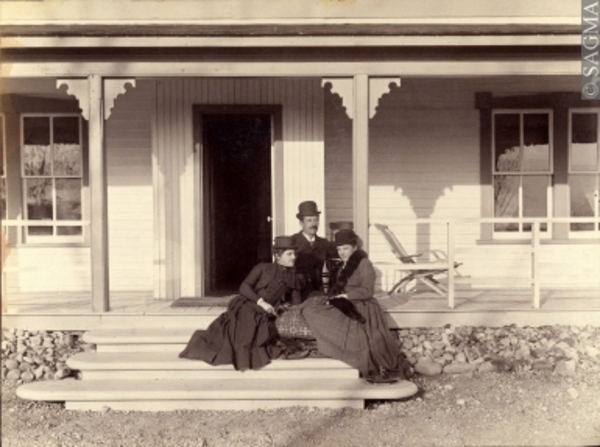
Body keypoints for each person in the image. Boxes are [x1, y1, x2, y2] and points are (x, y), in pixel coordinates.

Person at [301, 229, 413, 383]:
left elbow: (367, 290)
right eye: (339, 249)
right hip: (346, 301)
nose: (341, 252)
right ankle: (338, 343)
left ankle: (351, 351)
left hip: (362, 304)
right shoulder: (343, 265)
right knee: (311, 310)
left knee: (356, 333)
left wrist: (346, 296)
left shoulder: (364, 263)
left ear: (354, 247)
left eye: (345, 248)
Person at [178, 236, 303, 371]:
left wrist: (284, 304)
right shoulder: (263, 268)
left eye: (295, 253)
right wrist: (261, 302)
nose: (294, 257)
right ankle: (241, 358)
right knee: (247, 321)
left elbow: (296, 301)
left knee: (259, 327)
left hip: (264, 312)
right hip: (248, 303)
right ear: (278, 256)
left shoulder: (294, 278)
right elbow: (244, 287)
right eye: (289, 254)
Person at [291, 201, 336, 299]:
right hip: (296, 291)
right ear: (301, 223)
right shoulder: (293, 241)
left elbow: (339, 253)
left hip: (317, 291)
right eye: (309, 220)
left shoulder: (323, 243)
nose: (313, 224)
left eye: (316, 220)